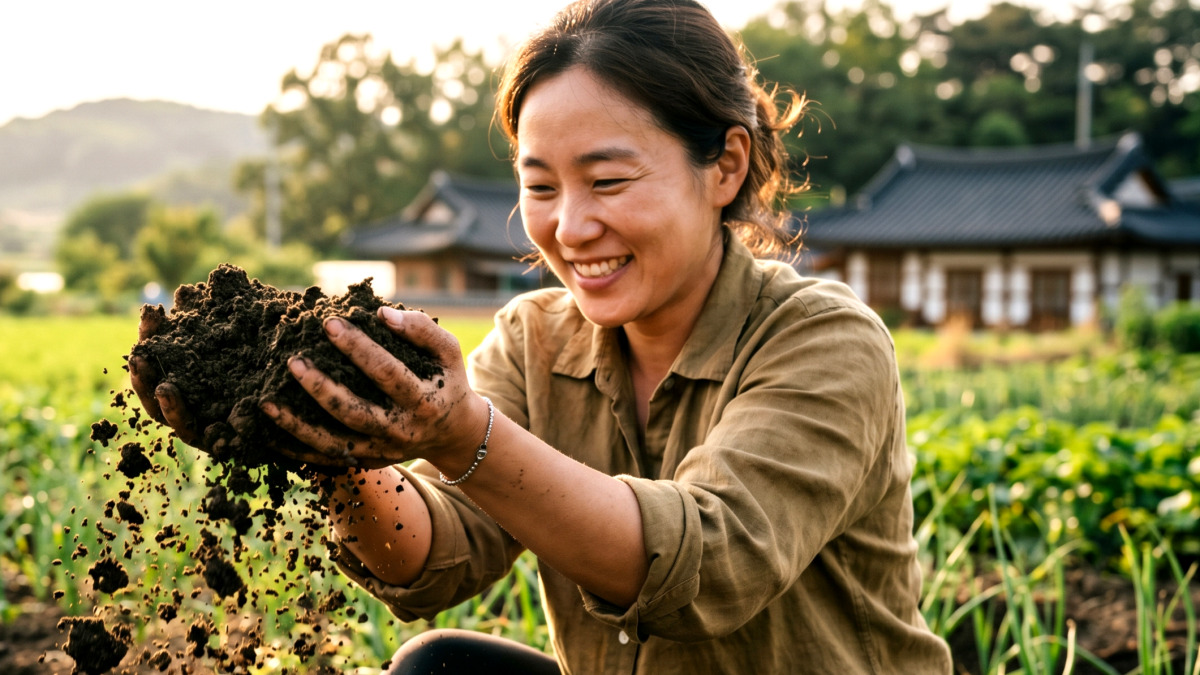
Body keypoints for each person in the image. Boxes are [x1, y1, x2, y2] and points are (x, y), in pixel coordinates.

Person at [132, 0, 953, 672]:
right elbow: (439, 552)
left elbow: (705, 564)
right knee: (436, 667)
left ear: (726, 166)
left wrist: (462, 433)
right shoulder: (534, 337)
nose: (571, 225)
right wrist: (333, 449)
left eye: (608, 180)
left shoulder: (824, 339)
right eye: (540, 186)